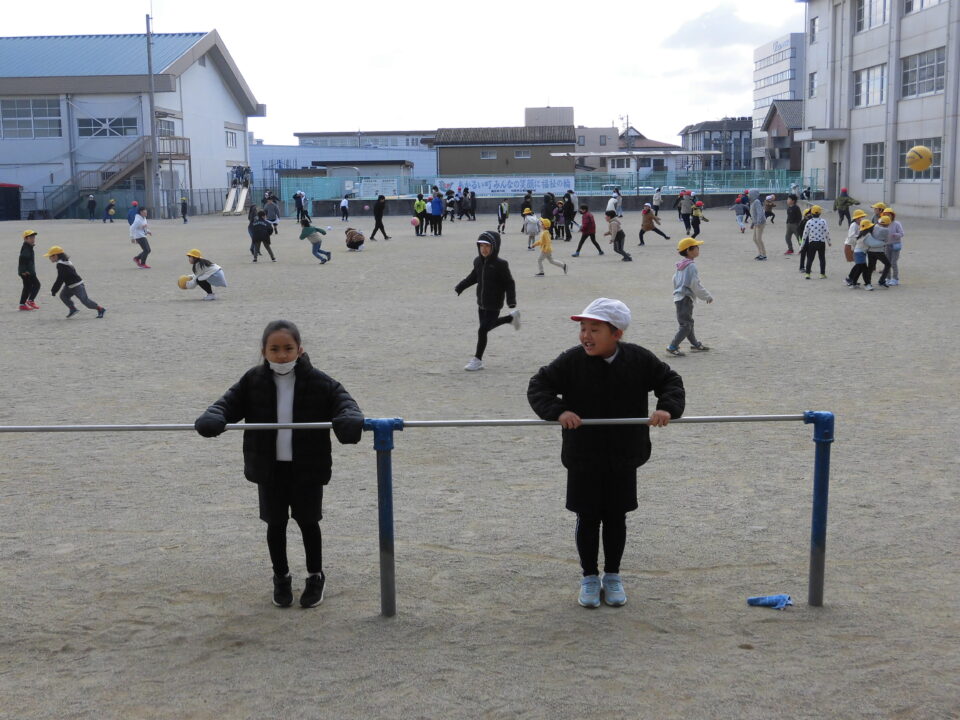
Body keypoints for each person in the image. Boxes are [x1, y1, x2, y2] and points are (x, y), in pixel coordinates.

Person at [526, 297, 685, 608]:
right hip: (583, 455)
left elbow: (670, 380)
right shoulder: (571, 361)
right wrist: (558, 411)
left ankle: (612, 575)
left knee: (616, 516)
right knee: (587, 516)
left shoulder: (638, 359)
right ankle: (589, 576)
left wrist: (667, 407)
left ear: (617, 334)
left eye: (594, 330)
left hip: (623, 454)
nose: (586, 336)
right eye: (583, 329)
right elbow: (538, 385)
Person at [194, 319, 364, 608]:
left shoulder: (320, 381)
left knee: (309, 522)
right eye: (274, 349)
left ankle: (315, 576)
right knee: (275, 524)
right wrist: (214, 417)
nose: (282, 355)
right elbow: (226, 404)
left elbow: (344, 402)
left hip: (307, 468)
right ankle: (281, 577)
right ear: (264, 351)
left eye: (288, 348)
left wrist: (349, 419)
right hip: (269, 469)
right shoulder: (252, 381)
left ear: (300, 349)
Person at [454, 231, 519, 371]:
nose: (484, 249)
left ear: (494, 247)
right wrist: (461, 286)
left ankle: (477, 360)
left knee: (482, 330)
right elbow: (473, 277)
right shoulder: (478, 261)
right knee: (486, 327)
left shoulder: (501, 264)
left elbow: (509, 283)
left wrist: (511, 300)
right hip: (481, 303)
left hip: (494, 303)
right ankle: (510, 318)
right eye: (481, 246)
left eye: (487, 246)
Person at [667, 238, 713, 356]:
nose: (698, 249)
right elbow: (695, 284)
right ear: (689, 250)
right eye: (696, 247)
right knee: (686, 325)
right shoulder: (691, 266)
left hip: (680, 297)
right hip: (685, 298)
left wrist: (678, 289)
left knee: (688, 323)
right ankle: (672, 346)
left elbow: (674, 279)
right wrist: (707, 296)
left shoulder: (681, 264)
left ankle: (695, 344)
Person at [44, 245, 106, 319]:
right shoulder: (65, 262)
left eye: (50, 256)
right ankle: (73, 309)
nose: (49, 258)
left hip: (77, 286)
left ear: (55, 256)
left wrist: (54, 290)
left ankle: (100, 309)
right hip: (69, 285)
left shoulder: (61, 265)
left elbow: (60, 279)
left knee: (85, 301)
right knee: (63, 296)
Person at [800, 205, 831, 279]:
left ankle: (807, 274)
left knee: (810, 258)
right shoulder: (823, 221)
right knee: (822, 258)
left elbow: (805, 234)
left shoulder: (809, 222)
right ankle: (822, 274)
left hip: (812, 242)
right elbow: (826, 232)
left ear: (811, 213)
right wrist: (829, 241)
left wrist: (802, 245)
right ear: (820, 213)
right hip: (821, 242)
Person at [843, 210, 870, 288]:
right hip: (850, 246)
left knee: (859, 264)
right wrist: (861, 237)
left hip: (856, 246)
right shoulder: (853, 225)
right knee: (860, 264)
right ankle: (850, 279)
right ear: (856, 218)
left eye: (862, 217)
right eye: (860, 218)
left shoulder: (859, 225)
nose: (861, 219)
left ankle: (850, 279)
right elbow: (851, 236)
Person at [18, 229, 41, 311]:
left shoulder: (28, 247)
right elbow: (22, 259)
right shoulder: (26, 248)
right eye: (30, 238)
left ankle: (22, 304)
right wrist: (24, 271)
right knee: (37, 285)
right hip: (27, 272)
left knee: (27, 287)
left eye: (33, 237)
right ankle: (31, 300)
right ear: (25, 239)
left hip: (26, 271)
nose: (33, 239)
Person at [879, 207, 904, 286]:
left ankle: (895, 279)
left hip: (895, 245)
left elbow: (902, 233)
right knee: (887, 263)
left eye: (889, 215)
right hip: (887, 245)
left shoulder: (897, 223)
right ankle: (888, 278)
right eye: (885, 215)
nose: (887, 216)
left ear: (892, 215)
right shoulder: (884, 223)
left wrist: (896, 235)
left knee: (893, 262)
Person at [748, 189, 767, 260]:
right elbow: (754, 214)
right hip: (756, 223)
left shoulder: (756, 202)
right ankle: (760, 253)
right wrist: (753, 223)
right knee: (755, 239)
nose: (748, 195)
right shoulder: (752, 202)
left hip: (760, 223)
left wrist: (758, 222)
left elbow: (760, 213)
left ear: (753, 194)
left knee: (758, 239)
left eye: (749, 194)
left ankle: (764, 255)